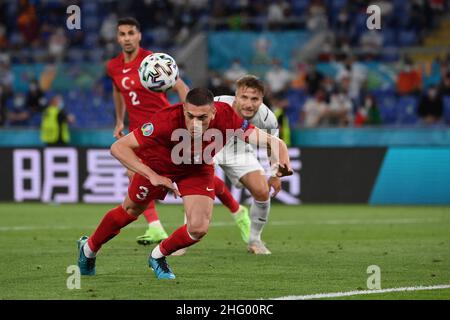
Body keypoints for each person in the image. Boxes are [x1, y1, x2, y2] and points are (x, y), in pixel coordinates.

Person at [77, 88, 293, 279]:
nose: (195, 124)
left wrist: (281, 163)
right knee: (130, 211)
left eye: (202, 118)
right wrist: (151, 175)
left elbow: (274, 142)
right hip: (157, 167)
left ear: (214, 112)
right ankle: (89, 248)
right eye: (190, 116)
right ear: (183, 110)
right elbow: (118, 148)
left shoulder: (228, 116)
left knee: (198, 229)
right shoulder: (165, 120)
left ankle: (158, 256)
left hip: (197, 170)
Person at [107, 17, 249, 248]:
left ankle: (235, 209)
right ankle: (155, 226)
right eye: (122, 34)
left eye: (131, 33)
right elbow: (117, 92)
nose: (127, 38)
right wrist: (118, 120)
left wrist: (194, 121)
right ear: (117, 37)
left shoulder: (154, 62)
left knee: (192, 171)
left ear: (139, 35)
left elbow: (182, 87)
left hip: (167, 130)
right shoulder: (113, 66)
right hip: (139, 129)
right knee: (136, 174)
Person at [214, 75, 285, 254]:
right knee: (199, 187)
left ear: (261, 99)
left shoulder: (267, 118)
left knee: (262, 191)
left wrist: (275, 174)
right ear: (235, 96)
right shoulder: (216, 104)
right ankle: (185, 239)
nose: (249, 104)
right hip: (209, 147)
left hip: (239, 151)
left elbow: (273, 145)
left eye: (255, 99)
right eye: (244, 97)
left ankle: (255, 240)